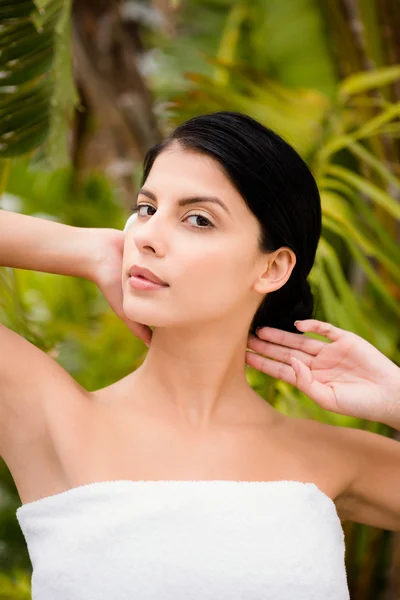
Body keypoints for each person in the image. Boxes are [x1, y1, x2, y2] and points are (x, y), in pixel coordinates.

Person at [0, 111, 399, 600]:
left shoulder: (331, 457)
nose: (145, 236)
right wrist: (82, 248)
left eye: (197, 219)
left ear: (273, 267)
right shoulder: (50, 418)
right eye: (146, 209)